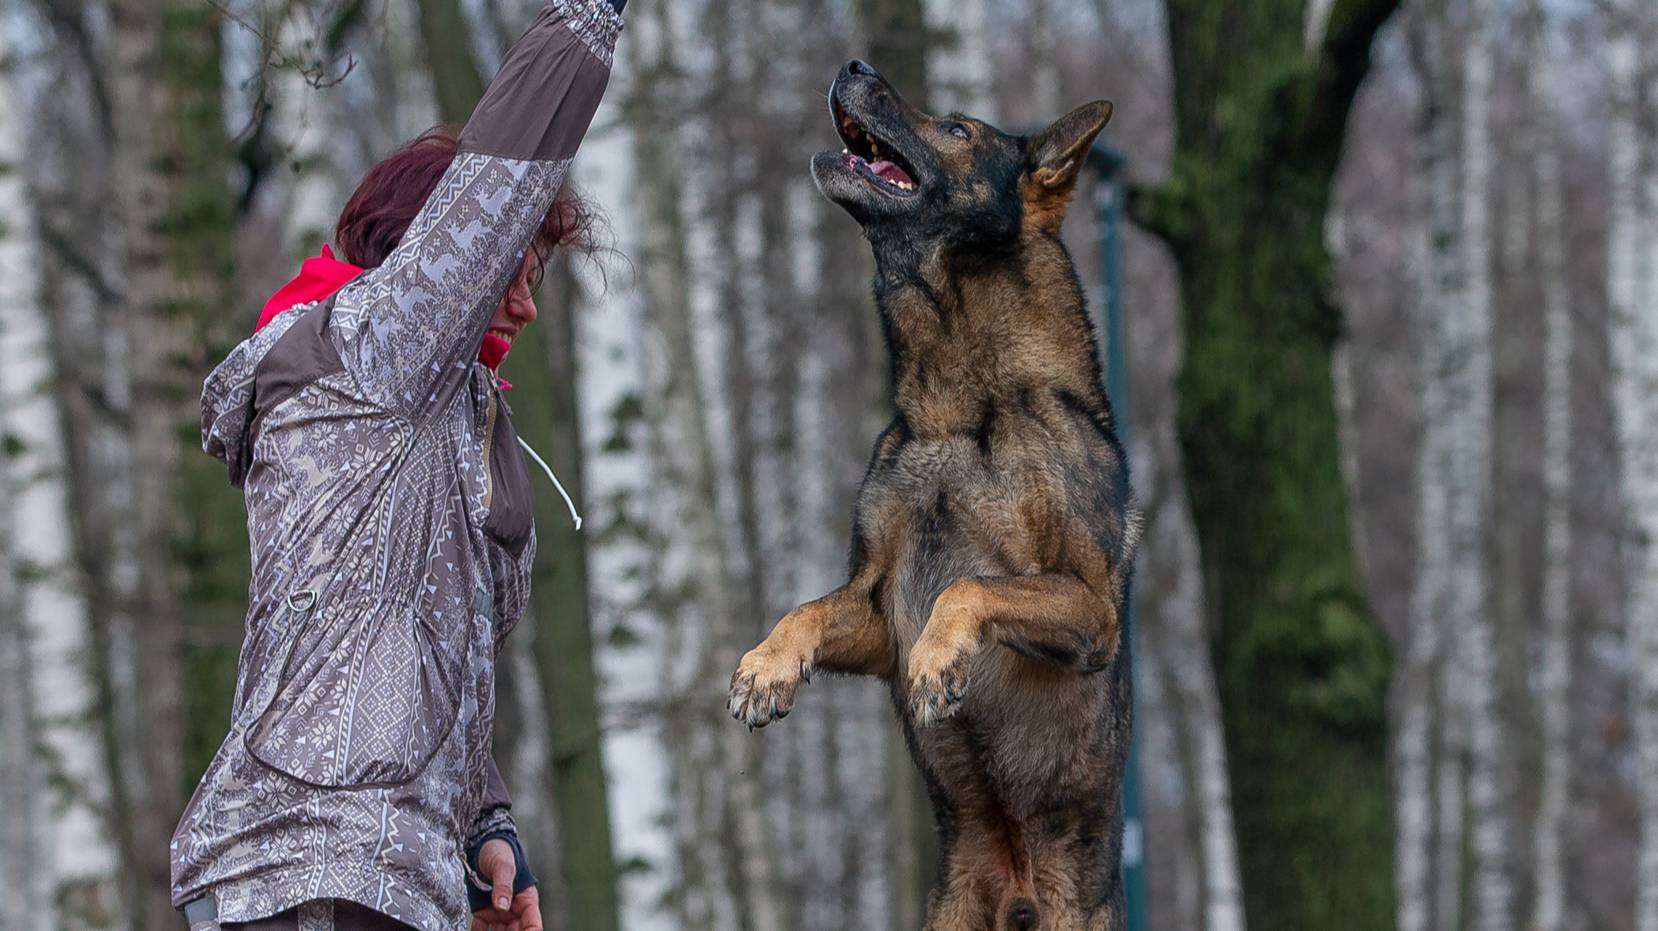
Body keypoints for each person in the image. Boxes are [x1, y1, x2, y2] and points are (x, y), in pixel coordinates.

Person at [168, 1, 624, 928]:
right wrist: (591, 17)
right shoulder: (372, 352)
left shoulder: (438, 421)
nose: (528, 308)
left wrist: (486, 832)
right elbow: (495, 186)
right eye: (513, 270)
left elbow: (423, 653)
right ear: (439, 253)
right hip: (313, 861)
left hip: (378, 873)